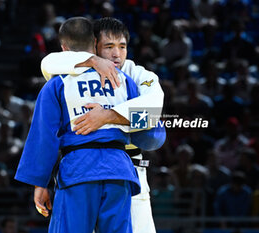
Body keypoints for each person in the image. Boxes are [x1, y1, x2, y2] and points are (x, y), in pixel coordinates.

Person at [14, 17, 156, 233]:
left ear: (64, 49)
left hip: (79, 170)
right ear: (95, 43)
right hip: (120, 171)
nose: (116, 53)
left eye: (122, 46)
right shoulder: (125, 81)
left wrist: (39, 183)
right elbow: (147, 125)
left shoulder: (58, 83)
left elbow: (44, 137)